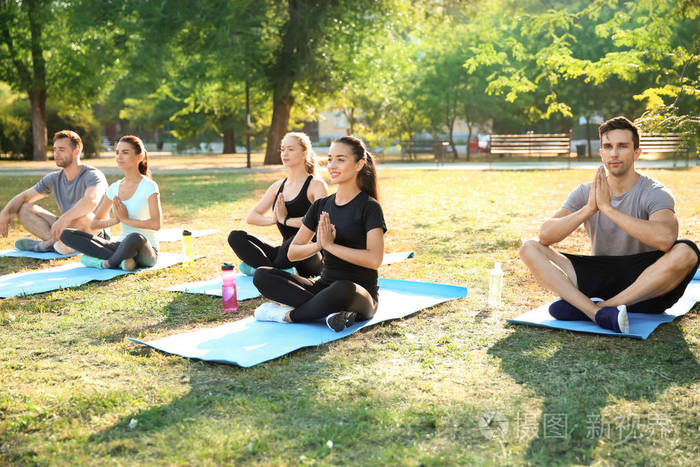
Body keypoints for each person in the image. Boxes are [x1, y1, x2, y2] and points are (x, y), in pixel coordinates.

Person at [519, 116, 699, 333]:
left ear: (636, 152)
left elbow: (665, 239)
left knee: (687, 251)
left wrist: (608, 209)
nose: (614, 153)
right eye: (608, 146)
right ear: (601, 153)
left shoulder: (654, 192)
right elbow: (546, 236)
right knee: (529, 247)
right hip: (598, 276)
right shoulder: (586, 192)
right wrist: (589, 209)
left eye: (622, 146)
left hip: (644, 286)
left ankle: (595, 308)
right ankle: (596, 313)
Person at [252, 135, 386, 332]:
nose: (332, 165)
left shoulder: (370, 207)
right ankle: (329, 311)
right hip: (323, 287)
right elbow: (293, 253)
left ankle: (287, 316)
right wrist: (318, 245)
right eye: (330, 158)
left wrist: (331, 246)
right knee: (262, 275)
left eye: (341, 159)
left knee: (344, 289)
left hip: (358, 293)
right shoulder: (321, 206)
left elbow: (374, 259)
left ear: (359, 164)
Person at [228, 132, 327, 277]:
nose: (285, 153)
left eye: (291, 149)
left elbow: (320, 222)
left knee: (298, 239)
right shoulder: (278, 186)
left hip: (309, 254)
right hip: (284, 252)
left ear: (304, 153)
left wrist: (285, 220)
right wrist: (274, 219)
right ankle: (274, 271)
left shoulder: (316, 185)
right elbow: (252, 217)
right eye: (282, 149)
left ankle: (262, 268)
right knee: (235, 237)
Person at [59, 136, 162, 271]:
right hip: (120, 245)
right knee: (67, 234)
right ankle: (122, 261)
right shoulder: (114, 188)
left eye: (125, 152)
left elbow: (156, 224)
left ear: (139, 156)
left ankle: (106, 263)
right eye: (117, 152)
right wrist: (116, 220)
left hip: (146, 250)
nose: (119, 156)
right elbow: (95, 223)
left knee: (135, 238)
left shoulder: (149, 186)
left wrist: (126, 220)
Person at [0, 130, 108, 254]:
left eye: (61, 149)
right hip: (65, 227)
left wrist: (64, 219)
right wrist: (5, 212)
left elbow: (91, 201)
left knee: (83, 215)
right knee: (23, 208)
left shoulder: (93, 175)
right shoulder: (54, 178)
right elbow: (25, 197)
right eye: (55, 149)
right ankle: (56, 244)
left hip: (94, 231)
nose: (56, 153)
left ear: (76, 152)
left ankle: (43, 245)